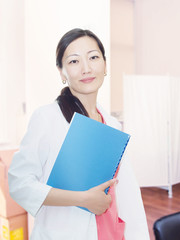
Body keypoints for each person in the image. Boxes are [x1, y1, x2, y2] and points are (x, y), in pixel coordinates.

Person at [8, 28, 149, 240]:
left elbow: (126, 193)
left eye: (93, 57)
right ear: (62, 72)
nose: (86, 68)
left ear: (105, 65)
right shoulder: (47, 118)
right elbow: (20, 183)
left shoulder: (111, 124)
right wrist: (83, 199)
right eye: (74, 61)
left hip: (111, 231)